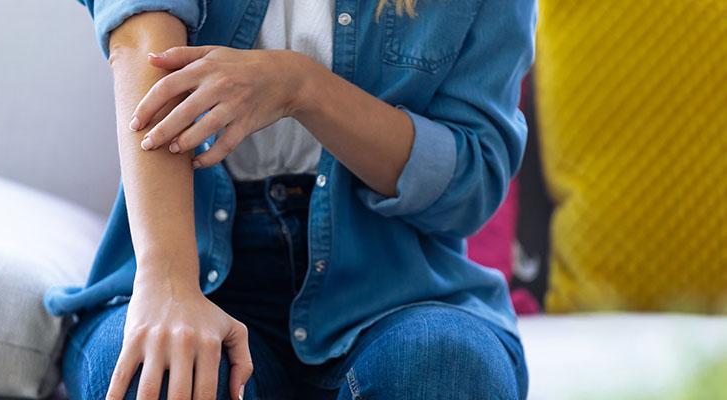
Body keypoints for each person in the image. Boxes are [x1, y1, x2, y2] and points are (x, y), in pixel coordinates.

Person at [44, 0, 536, 398]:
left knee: (444, 371)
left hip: (397, 288)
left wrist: (302, 88)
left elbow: (472, 187)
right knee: (164, 379)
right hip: (186, 260)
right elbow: (143, 49)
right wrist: (170, 284)